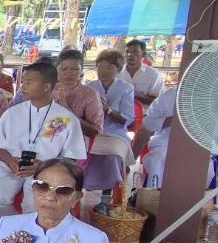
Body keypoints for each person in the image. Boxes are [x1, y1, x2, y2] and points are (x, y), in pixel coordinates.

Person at [0, 61, 87, 216]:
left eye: (29, 82)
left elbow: (72, 157)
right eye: (23, 81)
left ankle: (29, 232)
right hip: (10, 166)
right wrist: (11, 162)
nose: (22, 86)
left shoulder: (65, 118)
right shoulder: (13, 113)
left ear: (46, 87)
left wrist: (44, 166)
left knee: (35, 204)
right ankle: (13, 230)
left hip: (48, 170)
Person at [85, 49, 136, 197]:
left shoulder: (126, 88)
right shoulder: (90, 86)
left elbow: (128, 118)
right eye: (100, 66)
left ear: (118, 69)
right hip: (92, 130)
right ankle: (82, 188)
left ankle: (107, 195)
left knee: (113, 156)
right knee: (81, 152)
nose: (103, 71)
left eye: (109, 67)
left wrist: (108, 111)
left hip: (116, 132)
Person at [51, 49, 104, 140]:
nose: (69, 73)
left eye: (74, 69)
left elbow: (96, 132)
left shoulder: (90, 94)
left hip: (77, 143)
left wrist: (67, 112)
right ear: (56, 70)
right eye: (64, 69)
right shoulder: (47, 90)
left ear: (81, 71)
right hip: (45, 140)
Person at [123, 39, 164, 113]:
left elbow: (157, 101)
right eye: (127, 52)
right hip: (119, 115)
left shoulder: (153, 74)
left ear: (144, 54)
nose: (129, 55)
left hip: (145, 115)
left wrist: (132, 95)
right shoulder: (117, 72)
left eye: (135, 52)